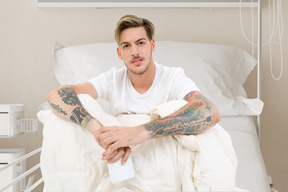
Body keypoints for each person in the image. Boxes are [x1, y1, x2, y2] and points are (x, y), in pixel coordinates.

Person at [46, 15, 220, 167]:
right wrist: (97, 130)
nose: (135, 52)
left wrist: (139, 132)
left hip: (164, 160)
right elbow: (56, 95)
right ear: (119, 53)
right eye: (127, 46)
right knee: (61, 119)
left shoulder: (173, 78)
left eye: (140, 43)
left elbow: (209, 111)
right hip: (120, 158)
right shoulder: (112, 79)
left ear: (152, 45)